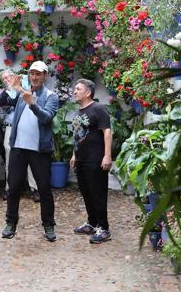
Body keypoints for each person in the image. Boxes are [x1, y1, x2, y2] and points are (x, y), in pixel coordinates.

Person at [0, 61, 59, 241]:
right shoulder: (20, 92)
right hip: (18, 148)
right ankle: (10, 223)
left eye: (39, 74)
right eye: (32, 73)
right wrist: (10, 88)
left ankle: (48, 225)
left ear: (45, 76)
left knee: (44, 189)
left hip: (39, 151)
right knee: (13, 187)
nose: (35, 77)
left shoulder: (50, 96)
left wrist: (32, 103)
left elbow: (47, 118)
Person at [70, 78, 113, 244]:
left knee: (98, 194)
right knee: (86, 193)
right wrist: (74, 155)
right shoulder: (79, 111)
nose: (75, 91)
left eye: (78, 89)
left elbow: (107, 132)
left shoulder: (98, 109)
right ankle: (92, 223)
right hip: (81, 159)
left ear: (88, 93)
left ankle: (104, 228)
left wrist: (107, 155)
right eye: (75, 89)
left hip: (96, 160)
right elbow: (77, 136)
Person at [0, 69, 39, 202]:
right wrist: (10, 88)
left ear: (15, 76)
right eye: (4, 78)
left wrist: (17, 88)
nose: (7, 79)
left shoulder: (26, 88)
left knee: (31, 157)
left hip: (27, 128)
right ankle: (10, 189)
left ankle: (34, 188)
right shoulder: (5, 93)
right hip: (11, 128)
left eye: (9, 76)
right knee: (9, 159)